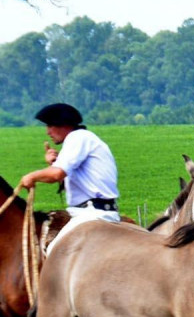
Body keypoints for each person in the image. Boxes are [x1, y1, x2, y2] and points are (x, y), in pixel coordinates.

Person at [19, 103, 121, 252]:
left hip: (92, 215)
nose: (48, 132)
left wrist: (31, 176)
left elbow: (57, 174)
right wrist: (54, 163)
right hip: (91, 212)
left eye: (50, 126)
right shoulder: (82, 139)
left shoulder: (77, 138)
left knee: (54, 252)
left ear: (63, 124)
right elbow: (61, 174)